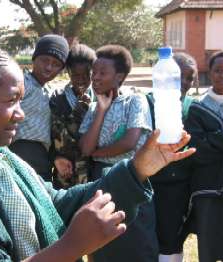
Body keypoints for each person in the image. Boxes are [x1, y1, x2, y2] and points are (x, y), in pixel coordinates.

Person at [0, 40, 195, 262]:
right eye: (12, 101)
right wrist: (71, 246)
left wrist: (137, 170)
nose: (20, 114)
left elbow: (55, 203)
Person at [79, 45, 157, 262]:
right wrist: (102, 112)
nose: (95, 77)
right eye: (93, 72)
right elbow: (85, 149)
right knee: (103, 245)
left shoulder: (135, 100)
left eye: (102, 72)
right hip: (101, 183)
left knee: (136, 242)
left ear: (120, 76)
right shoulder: (95, 108)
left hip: (131, 180)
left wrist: (98, 153)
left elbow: (129, 142)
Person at [147, 52, 198, 262]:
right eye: (180, 77)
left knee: (172, 241)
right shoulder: (148, 102)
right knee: (149, 238)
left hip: (179, 186)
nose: (184, 83)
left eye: (189, 78)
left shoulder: (194, 107)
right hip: (150, 182)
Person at [184, 51, 223, 262]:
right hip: (207, 189)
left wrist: (214, 138)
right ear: (209, 73)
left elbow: (206, 144)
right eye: (218, 70)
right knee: (209, 251)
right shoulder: (197, 107)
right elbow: (197, 152)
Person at [10, 34, 69, 181]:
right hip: (15, 153)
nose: (49, 67)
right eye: (44, 60)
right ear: (34, 58)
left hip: (42, 161)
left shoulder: (52, 93)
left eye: (56, 64)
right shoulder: (21, 84)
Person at [49, 43, 96, 188]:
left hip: (93, 169)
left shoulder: (100, 98)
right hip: (65, 171)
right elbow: (58, 139)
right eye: (75, 75)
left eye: (86, 75)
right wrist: (80, 109)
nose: (81, 80)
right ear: (68, 72)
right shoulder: (58, 99)